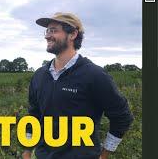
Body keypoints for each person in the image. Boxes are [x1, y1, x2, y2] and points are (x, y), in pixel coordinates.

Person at [22, 12, 133, 159]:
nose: (47, 36)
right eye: (47, 30)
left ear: (73, 34)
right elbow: (33, 116)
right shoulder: (39, 75)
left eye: (54, 30)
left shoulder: (94, 75)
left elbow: (122, 116)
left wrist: (104, 155)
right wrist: (27, 151)